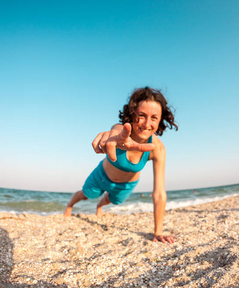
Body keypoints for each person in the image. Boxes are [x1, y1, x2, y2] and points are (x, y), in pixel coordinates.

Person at [64, 87, 178, 244]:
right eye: (141, 116)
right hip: (102, 176)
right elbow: (116, 129)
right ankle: (69, 206)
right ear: (132, 115)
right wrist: (112, 135)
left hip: (126, 185)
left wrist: (158, 232)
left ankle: (99, 207)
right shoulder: (122, 132)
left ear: (160, 121)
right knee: (84, 194)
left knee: (109, 200)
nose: (146, 124)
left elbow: (159, 191)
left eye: (154, 118)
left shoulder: (157, 148)